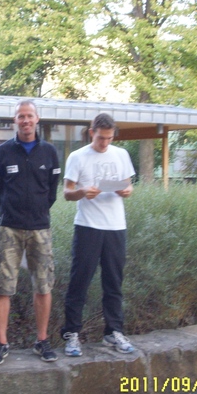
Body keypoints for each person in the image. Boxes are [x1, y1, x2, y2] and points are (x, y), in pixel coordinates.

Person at [0, 100, 61, 365]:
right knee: (2, 286)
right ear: (15, 120)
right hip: (9, 228)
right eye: (21, 116)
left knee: (43, 285)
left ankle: (42, 340)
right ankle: (1, 343)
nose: (25, 120)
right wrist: (11, 212)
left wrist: (37, 211)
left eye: (29, 115)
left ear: (37, 119)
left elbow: (52, 192)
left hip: (40, 228)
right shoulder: (2, 152)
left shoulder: (50, 152)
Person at [60, 113, 135, 357]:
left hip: (116, 226)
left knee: (114, 283)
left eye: (109, 138)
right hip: (88, 226)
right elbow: (66, 192)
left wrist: (127, 190)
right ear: (92, 132)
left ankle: (114, 331)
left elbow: (128, 184)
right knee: (79, 282)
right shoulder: (77, 156)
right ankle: (72, 333)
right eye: (101, 138)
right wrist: (82, 192)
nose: (105, 143)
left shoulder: (121, 154)